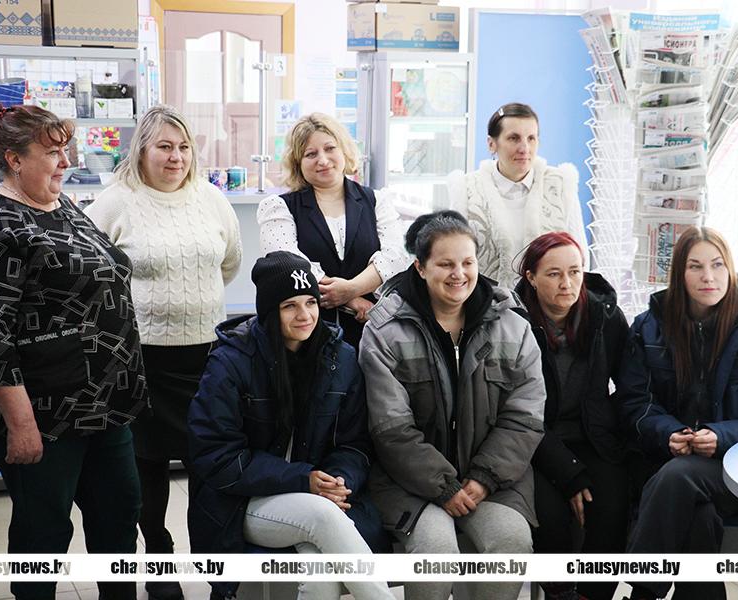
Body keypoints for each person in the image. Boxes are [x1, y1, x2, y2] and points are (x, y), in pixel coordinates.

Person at [0, 103, 147, 600]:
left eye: (67, 149)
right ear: (14, 160)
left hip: (104, 405)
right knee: (43, 532)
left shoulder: (61, 205)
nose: (66, 162)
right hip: (44, 413)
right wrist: (21, 425)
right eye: (53, 153)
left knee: (119, 518)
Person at [86, 104, 242, 600]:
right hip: (141, 361)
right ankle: (158, 555)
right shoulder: (116, 202)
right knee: (146, 470)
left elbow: (229, 262)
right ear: (142, 151)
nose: (176, 157)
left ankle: (217, 569)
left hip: (208, 358)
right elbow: (87, 271)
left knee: (209, 469)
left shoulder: (210, 198)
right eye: (164, 147)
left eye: (183, 147)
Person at [187, 251, 394, 600]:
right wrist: (303, 479)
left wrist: (338, 480)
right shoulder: (231, 363)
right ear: (270, 311)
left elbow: (355, 443)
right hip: (240, 503)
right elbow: (216, 456)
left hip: (318, 496)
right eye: (290, 306)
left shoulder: (339, 358)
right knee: (321, 516)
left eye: (311, 302)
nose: (305, 315)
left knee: (320, 577)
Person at [360, 211, 545, 600]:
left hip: (494, 482)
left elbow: (525, 417)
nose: (458, 274)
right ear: (420, 267)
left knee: (511, 543)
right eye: (445, 264)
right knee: (436, 550)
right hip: (409, 483)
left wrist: (483, 478)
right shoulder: (385, 330)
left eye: (467, 262)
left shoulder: (512, 325)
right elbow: (391, 428)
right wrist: (443, 486)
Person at [618, 227, 738, 600]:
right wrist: (668, 432)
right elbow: (634, 401)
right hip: (665, 461)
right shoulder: (648, 328)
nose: (708, 277)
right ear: (679, 274)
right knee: (697, 516)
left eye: (717, 265)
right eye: (695, 266)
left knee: (679, 477)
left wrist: (721, 436)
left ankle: (642, 593)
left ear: (730, 268)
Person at [515, 232, 630, 600]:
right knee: (550, 515)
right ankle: (560, 592)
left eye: (575, 272)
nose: (567, 283)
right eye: (553, 274)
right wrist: (570, 474)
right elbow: (514, 411)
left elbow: (630, 385)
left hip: (592, 434)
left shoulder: (605, 317)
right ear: (531, 277)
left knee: (612, 505)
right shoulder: (513, 322)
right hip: (533, 441)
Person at [257, 113, 410, 349]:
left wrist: (352, 289)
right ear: (298, 163)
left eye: (330, 148)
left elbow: (395, 257)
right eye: (310, 154)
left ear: (344, 150)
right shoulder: (279, 207)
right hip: (306, 336)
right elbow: (287, 264)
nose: (323, 160)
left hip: (371, 333)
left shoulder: (375, 201)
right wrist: (351, 301)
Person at [448, 102, 587, 287]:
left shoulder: (560, 184)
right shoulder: (466, 189)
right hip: (486, 302)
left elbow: (580, 257)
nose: (524, 148)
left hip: (549, 303)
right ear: (491, 144)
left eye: (531, 138)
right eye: (514, 138)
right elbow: (454, 258)